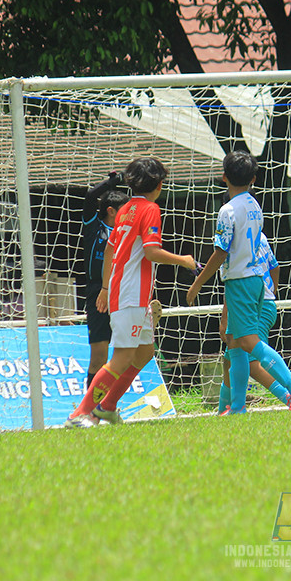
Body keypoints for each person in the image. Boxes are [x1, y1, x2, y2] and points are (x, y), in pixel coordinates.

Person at [65, 156, 197, 428]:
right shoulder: (150, 209)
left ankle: (107, 407)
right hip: (131, 294)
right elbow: (151, 251)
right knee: (122, 357)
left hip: (127, 292)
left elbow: (110, 249)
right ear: (159, 185)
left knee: (145, 352)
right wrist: (184, 260)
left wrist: (105, 287)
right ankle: (80, 413)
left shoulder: (125, 209)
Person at [186, 150, 291, 414]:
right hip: (255, 280)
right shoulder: (254, 206)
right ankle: (236, 407)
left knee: (247, 342)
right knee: (234, 345)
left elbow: (221, 252)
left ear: (224, 177)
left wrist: (198, 283)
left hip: (241, 280)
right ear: (253, 179)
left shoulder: (227, 210)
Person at [215, 231, 291, 412]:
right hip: (263, 302)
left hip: (254, 304)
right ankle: (224, 409)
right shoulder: (260, 236)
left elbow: (233, 282)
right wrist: (271, 292)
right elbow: (275, 267)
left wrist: (224, 316)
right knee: (230, 358)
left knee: (249, 360)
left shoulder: (233, 240)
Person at [81, 171, 130, 387]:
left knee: (126, 355)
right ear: (111, 211)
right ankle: (91, 403)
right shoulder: (95, 226)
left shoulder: (128, 232)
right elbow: (91, 196)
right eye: (124, 211)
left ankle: (110, 402)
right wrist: (112, 182)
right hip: (97, 294)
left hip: (123, 293)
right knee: (99, 356)